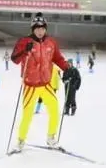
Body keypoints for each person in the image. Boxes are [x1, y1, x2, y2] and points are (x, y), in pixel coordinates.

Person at [10, 14, 72, 150]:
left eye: (43, 28)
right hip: (30, 85)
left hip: (46, 84)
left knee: (55, 110)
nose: (40, 31)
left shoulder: (51, 42)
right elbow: (14, 59)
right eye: (37, 28)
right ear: (33, 29)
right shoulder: (24, 41)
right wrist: (24, 51)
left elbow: (57, 58)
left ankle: (51, 138)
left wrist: (67, 68)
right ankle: (20, 141)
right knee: (27, 114)